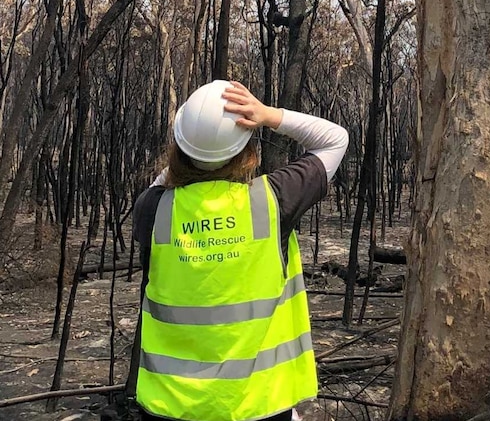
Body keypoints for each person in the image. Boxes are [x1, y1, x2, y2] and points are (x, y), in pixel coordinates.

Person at [132, 80, 349, 421]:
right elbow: (335, 140)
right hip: (257, 406)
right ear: (247, 153)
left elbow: (162, 182)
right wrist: (268, 115)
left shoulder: (153, 209)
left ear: (178, 148)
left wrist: (195, 147)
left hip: (169, 407)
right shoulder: (272, 200)